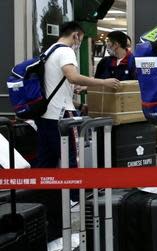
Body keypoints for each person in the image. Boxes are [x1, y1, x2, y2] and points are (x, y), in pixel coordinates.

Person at [37, 21, 120, 168]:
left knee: (46, 162)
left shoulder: (48, 51)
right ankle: (74, 192)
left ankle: (45, 191)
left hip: (45, 116)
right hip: (63, 117)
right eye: (80, 40)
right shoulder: (66, 51)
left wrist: (80, 103)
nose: (78, 45)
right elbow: (73, 77)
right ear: (75, 35)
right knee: (71, 160)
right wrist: (103, 82)